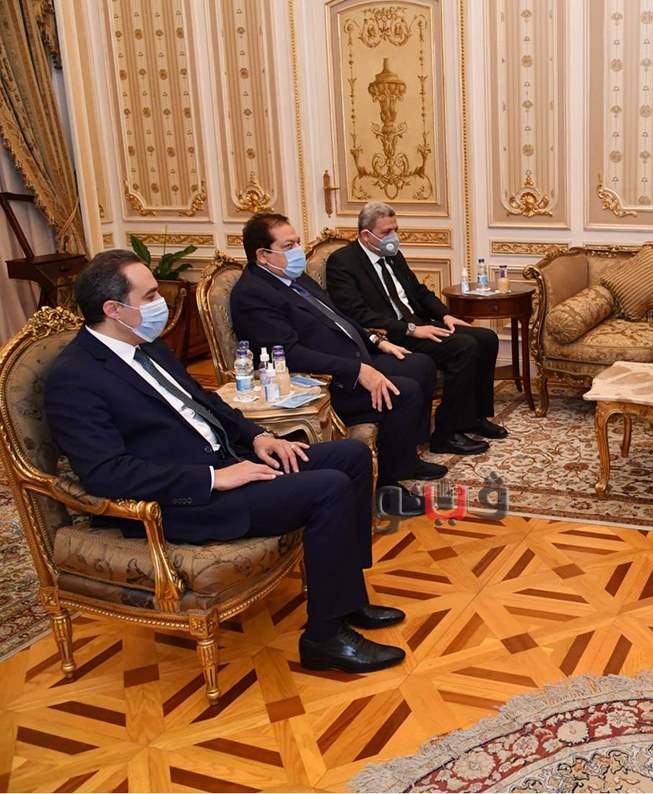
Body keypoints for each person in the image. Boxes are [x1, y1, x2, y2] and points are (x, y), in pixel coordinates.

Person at [44, 250, 406, 673]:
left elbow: (206, 402)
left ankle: (347, 599)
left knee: (351, 455)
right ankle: (325, 638)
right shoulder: (75, 377)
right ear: (113, 309)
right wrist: (214, 478)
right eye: (150, 296)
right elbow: (106, 473)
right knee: (329, 487)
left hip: (228, 462)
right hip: (183, 501)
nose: (161, 303)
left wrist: (259, 438)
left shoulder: (147, 346)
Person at [230, 212, 442, 506]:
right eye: (288, 246)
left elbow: (338, 317)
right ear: (263, 255)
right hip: (323, 383)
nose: (298, 251)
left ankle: (405, 457)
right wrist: (356, 370)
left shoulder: (294, 277)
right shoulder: (253, 295)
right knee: (404, 392)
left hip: (352, 357)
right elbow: (290, 355)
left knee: (420, 364)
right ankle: (385, 487)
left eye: (297, 243)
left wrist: (377, 341)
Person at [326, 202, 506, 456]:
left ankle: (473, 417)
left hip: (418, 323)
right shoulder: (343, 262)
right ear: (366, 235)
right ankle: (446, 433)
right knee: (463, 347)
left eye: (395, 229)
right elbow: (356, 313)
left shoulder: (392, 254)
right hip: (391, 334)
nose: (393, 237)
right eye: (387, 232)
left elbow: (419, 292)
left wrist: (445, 315)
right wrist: (410, 329)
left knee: (486, 338)